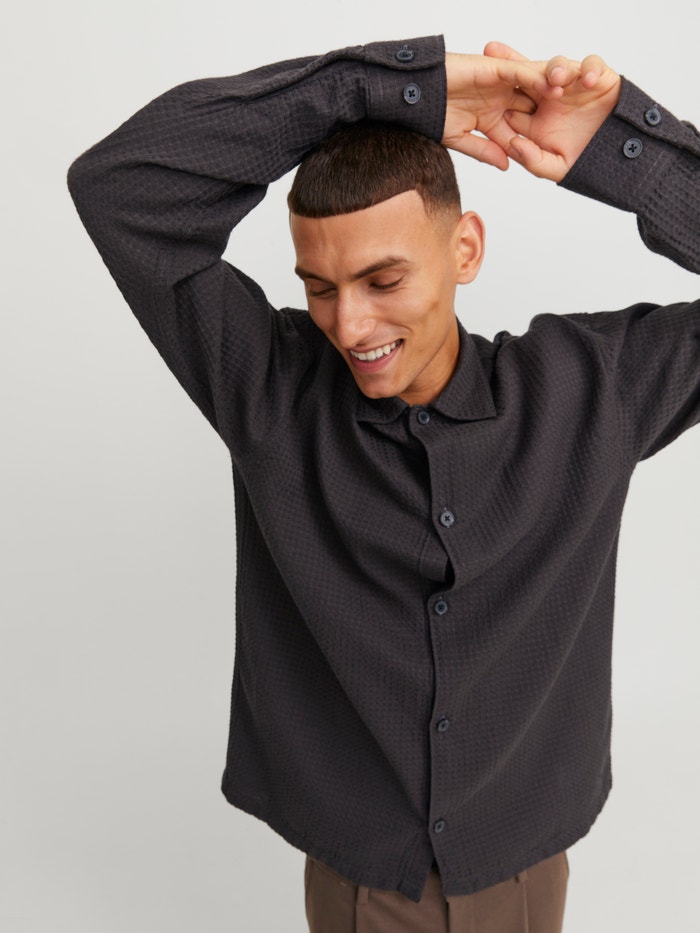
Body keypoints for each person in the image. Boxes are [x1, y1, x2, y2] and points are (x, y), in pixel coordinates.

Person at [68, 36, 699, 932]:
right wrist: (389, 89)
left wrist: (618, 150)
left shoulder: (591, 391)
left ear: (465, 248)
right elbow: (120, 186)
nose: (350, 324)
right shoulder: (268, 389)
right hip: (360, 885)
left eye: (382, 278)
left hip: (521, 874)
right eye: (319, 287)